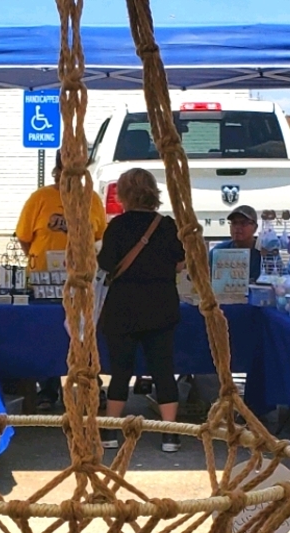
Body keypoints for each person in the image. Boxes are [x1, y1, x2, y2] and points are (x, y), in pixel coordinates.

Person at [97, 167, 185, 453]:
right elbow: (180, 262)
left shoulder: (118, 227)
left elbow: (107, 264)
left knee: (120, 370)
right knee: (163, 368)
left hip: (123, 306)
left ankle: (110, 430)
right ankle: (170, 434)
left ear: (123, 194)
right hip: (161, 303)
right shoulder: (166, 225)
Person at [15, 150, 108, 411]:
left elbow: (100, 235)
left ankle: (91, 382)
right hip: (45, 280)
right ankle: (48, 388)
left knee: (85, 333)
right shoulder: (40, 198)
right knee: (48, 334)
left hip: (82, 280)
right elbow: (24, 237)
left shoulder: (92, 199)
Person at [209, 205, 262, 284]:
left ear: (255, 227)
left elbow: (280, 281)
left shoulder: (265, 251)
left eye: (243, 223)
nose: (237, 227)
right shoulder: (218, 251)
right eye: (234, 223)